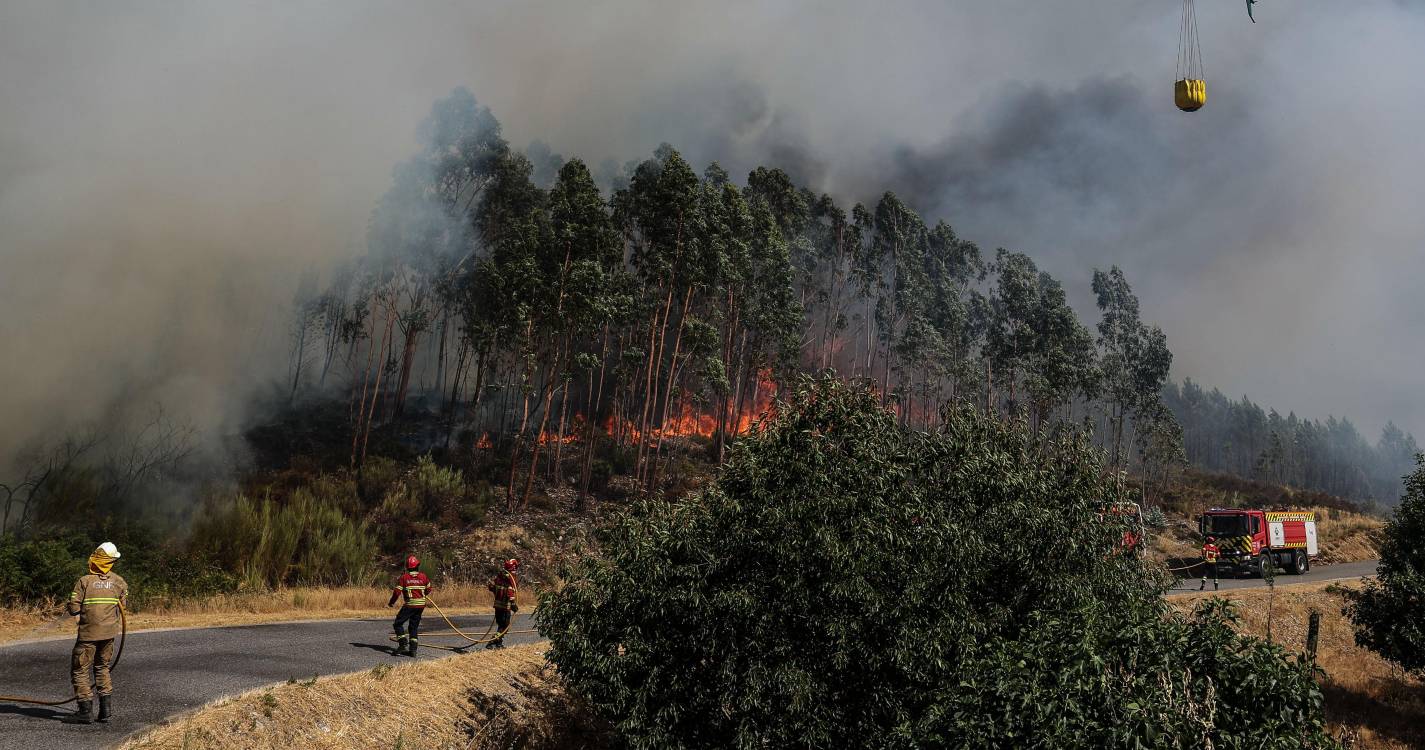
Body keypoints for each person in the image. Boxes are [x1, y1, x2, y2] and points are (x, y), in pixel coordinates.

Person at [63, 542, 128, 725]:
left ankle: (85, 712)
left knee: (80, 670)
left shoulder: (84, 581)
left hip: (88, 636)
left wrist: (76, 609)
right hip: (109, 635)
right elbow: (123, 606)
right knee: (102, 668)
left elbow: (74, 608)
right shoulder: (119, 581)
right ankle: (105, 712)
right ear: (112, 561)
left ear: (95, 559)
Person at [388, 555, 430, 657]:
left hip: (410, 605)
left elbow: (397, 592)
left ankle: (402, 643)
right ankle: (413, 650)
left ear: (407, 567)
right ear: (418, 566)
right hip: (421, 605)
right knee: (413, 627)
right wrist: (421, 594)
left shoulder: (404, 577)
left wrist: (391, 602)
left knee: (398, 623)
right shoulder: (424, 576)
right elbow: (428, 589)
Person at [485, 558, 519, 650]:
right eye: (515, 568)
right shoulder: (511, 579)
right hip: (505, 607)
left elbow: (491, 587)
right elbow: (510, 592)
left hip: (497, 606)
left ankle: (499, 644)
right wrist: (513, 605)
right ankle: (492, 642)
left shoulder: (499, 577)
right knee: (505, 627)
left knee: (501, 626)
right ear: (513, 568)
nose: (515, 571)